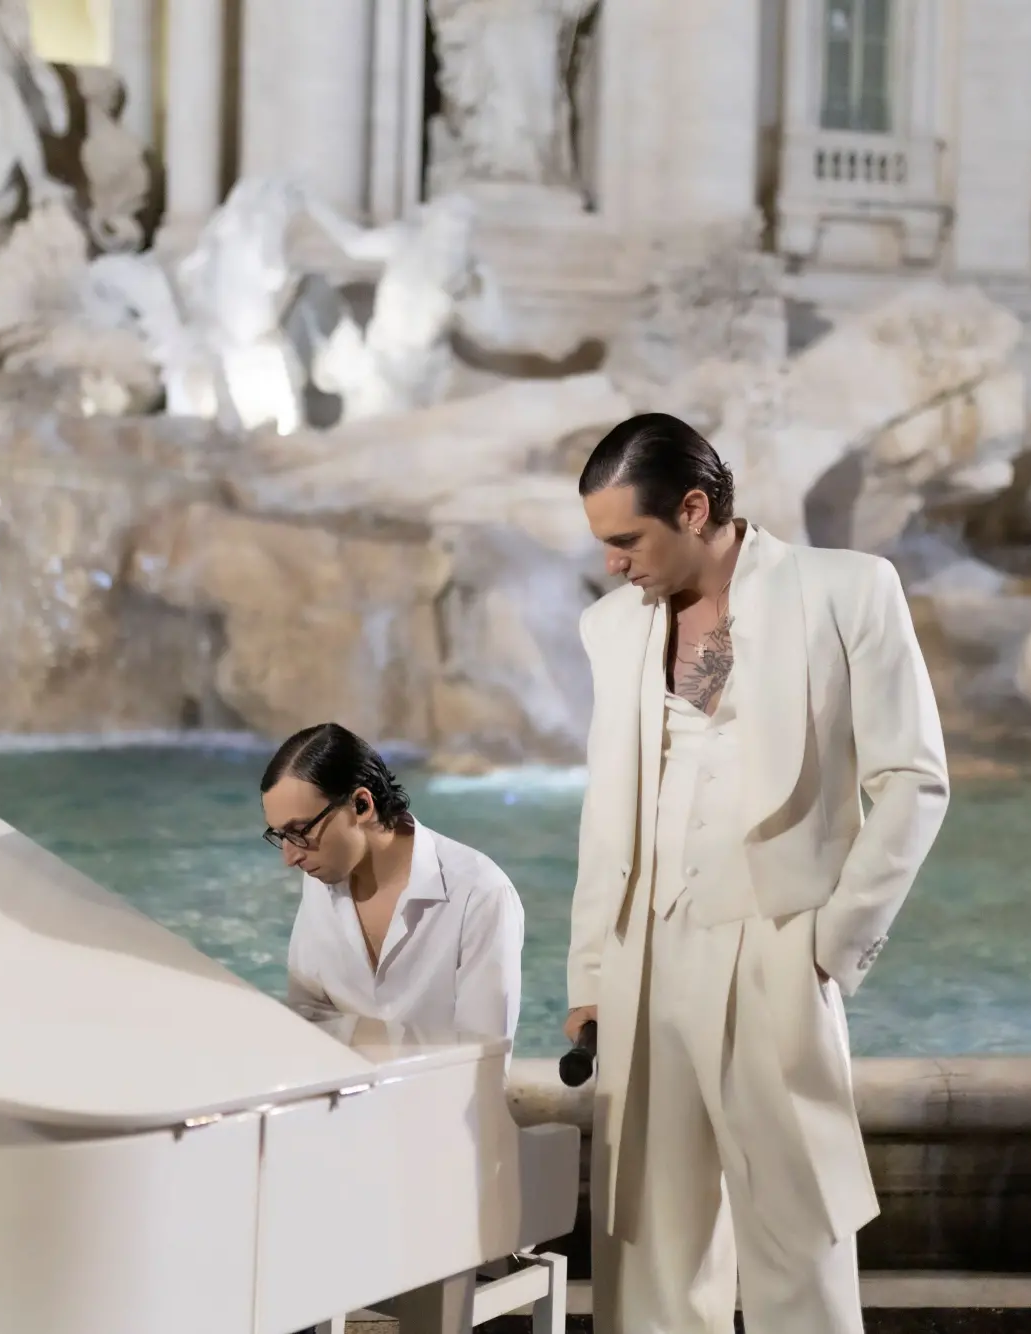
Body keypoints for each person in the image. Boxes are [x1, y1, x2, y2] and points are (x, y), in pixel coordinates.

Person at [564, 413, 949, 1334]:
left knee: (798, 1239)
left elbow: (914, 781)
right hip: (644, 957)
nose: (613, 562)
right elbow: (605, 809)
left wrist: (831, 943)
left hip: (775, 947)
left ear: (694, 509)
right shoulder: (609, 628)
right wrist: (588, 974)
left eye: (627, 539)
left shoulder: (847, 589)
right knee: (647, 1249)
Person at [261, 722, 525, 1045]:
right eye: (280, 836)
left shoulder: (480, 896)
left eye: (299, 831)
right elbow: (307, 1017)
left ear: (361, 805)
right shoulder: (319, 880)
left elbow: (485, 1063)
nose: (290, 857)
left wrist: (365, 1040)